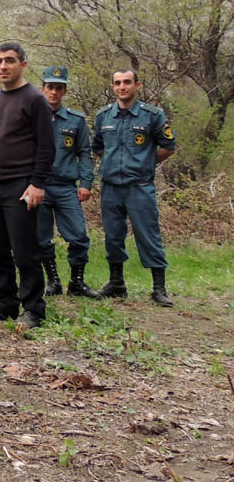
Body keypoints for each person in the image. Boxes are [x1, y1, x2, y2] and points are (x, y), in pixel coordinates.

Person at [0, 42, 54, 329]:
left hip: (21, 186)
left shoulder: (35, 99)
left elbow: (46, 146)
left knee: (25, 250)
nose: (3, 66)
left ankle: (33, 309)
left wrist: (37, 183)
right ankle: (5, 302)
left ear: (23, 65)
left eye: (9, 60)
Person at [92, 69, 177, 306]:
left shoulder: (152, 115)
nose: (122, 87)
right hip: (111, 187)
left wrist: (146, 162)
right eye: (118, 83)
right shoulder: (103, 116)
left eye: (127, 82)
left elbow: (169, 146)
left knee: (149, 235)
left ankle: (159, 289)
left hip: (139, 186)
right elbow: (98, 146)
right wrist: (113, 163)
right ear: (113, 87)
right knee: (113, 236)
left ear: (137, 85)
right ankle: (116, 284)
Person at [37, 66, 101, 298]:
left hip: (66, 187)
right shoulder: (32, 117)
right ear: (42, 89)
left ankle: (77, 282)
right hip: (39, 186)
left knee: (79, 235)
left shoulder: (76, 120)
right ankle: (53, 281)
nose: (54, 92)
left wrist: (86, 183)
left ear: (65, 91)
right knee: (41, 238)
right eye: (50, 87)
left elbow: (84, 152)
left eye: (59, 88)